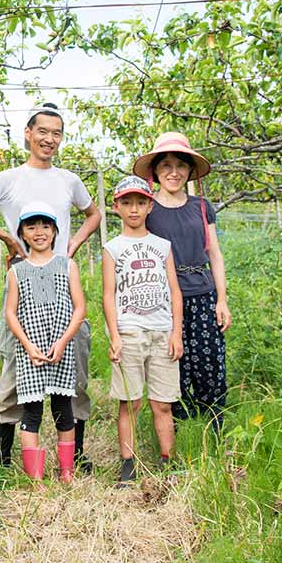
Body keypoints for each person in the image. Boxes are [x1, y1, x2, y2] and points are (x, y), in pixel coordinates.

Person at [0, 103, 101, 471]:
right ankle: (1, 461)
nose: (49, 139)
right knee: (15, 366)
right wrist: (5, 237)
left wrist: (73, 245)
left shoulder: (68, 180)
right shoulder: (10, 179)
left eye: (57, 133)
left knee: (74, 365)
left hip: (62, 280)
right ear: (28, 134)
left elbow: (94, 213)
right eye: (43, 132)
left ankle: (76, 456)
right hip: (25, 276)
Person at [132, 132, 231, 432]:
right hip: (163, 302)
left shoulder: (201, 206)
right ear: (156, 172)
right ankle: (177, 434)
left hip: (202, 296)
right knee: (172, 365)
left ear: (189, 171)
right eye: (166, 166)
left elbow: (214, 253)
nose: (173, 172)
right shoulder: (148, 209)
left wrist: (222, 300)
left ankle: (214, 431)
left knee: (209, 364)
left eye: (180, 166)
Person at [102, 175, 183, 484]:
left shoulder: (162, 246)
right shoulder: (113, 248)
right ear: (117, 207)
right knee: (131, 401)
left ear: (150, 206)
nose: (133, 209)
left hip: (162, 332)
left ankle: (168, 461)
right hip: (130, 332)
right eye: (127, 203)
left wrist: (176, 332)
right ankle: (128, 464)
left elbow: (174, 291)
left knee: (162, 403)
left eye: (140, 203)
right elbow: (108, 294)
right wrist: (115, 336)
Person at [4, 202, 87, 483]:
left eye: (45, 226)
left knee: (64, 409)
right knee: (32, 411)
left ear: (54, 231)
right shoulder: (16, 271)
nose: (39, 232)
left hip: (60, 347)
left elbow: (79, 309)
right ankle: (35, 479)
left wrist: (63, 342)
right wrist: (28, 346)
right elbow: (11, 313)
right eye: (31, 226)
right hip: (32, 351)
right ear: (23, 235)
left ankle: (66, 473)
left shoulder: (67, 265)